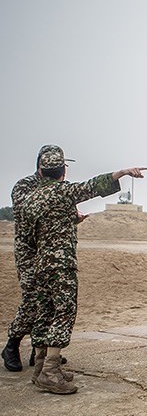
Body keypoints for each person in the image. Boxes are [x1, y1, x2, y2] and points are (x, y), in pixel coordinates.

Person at [18, 145, 147, 394]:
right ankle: (50, 371)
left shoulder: (29, 199)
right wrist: (122, 172)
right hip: (60, 265)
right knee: (64, 311)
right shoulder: (63, 192)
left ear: (41, 171)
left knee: (44, 311)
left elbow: (28, 236)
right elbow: (91, 186)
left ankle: (40, 368)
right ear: (62, 171)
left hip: (39, 264)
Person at [2, 146, 74, 372]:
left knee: (50, 301)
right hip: (29, 253)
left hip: (49, 252)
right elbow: (27, 219)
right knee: (33, 301)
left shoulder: (56, 188)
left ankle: (39, 352)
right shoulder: (25, 187)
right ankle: (12, 346)